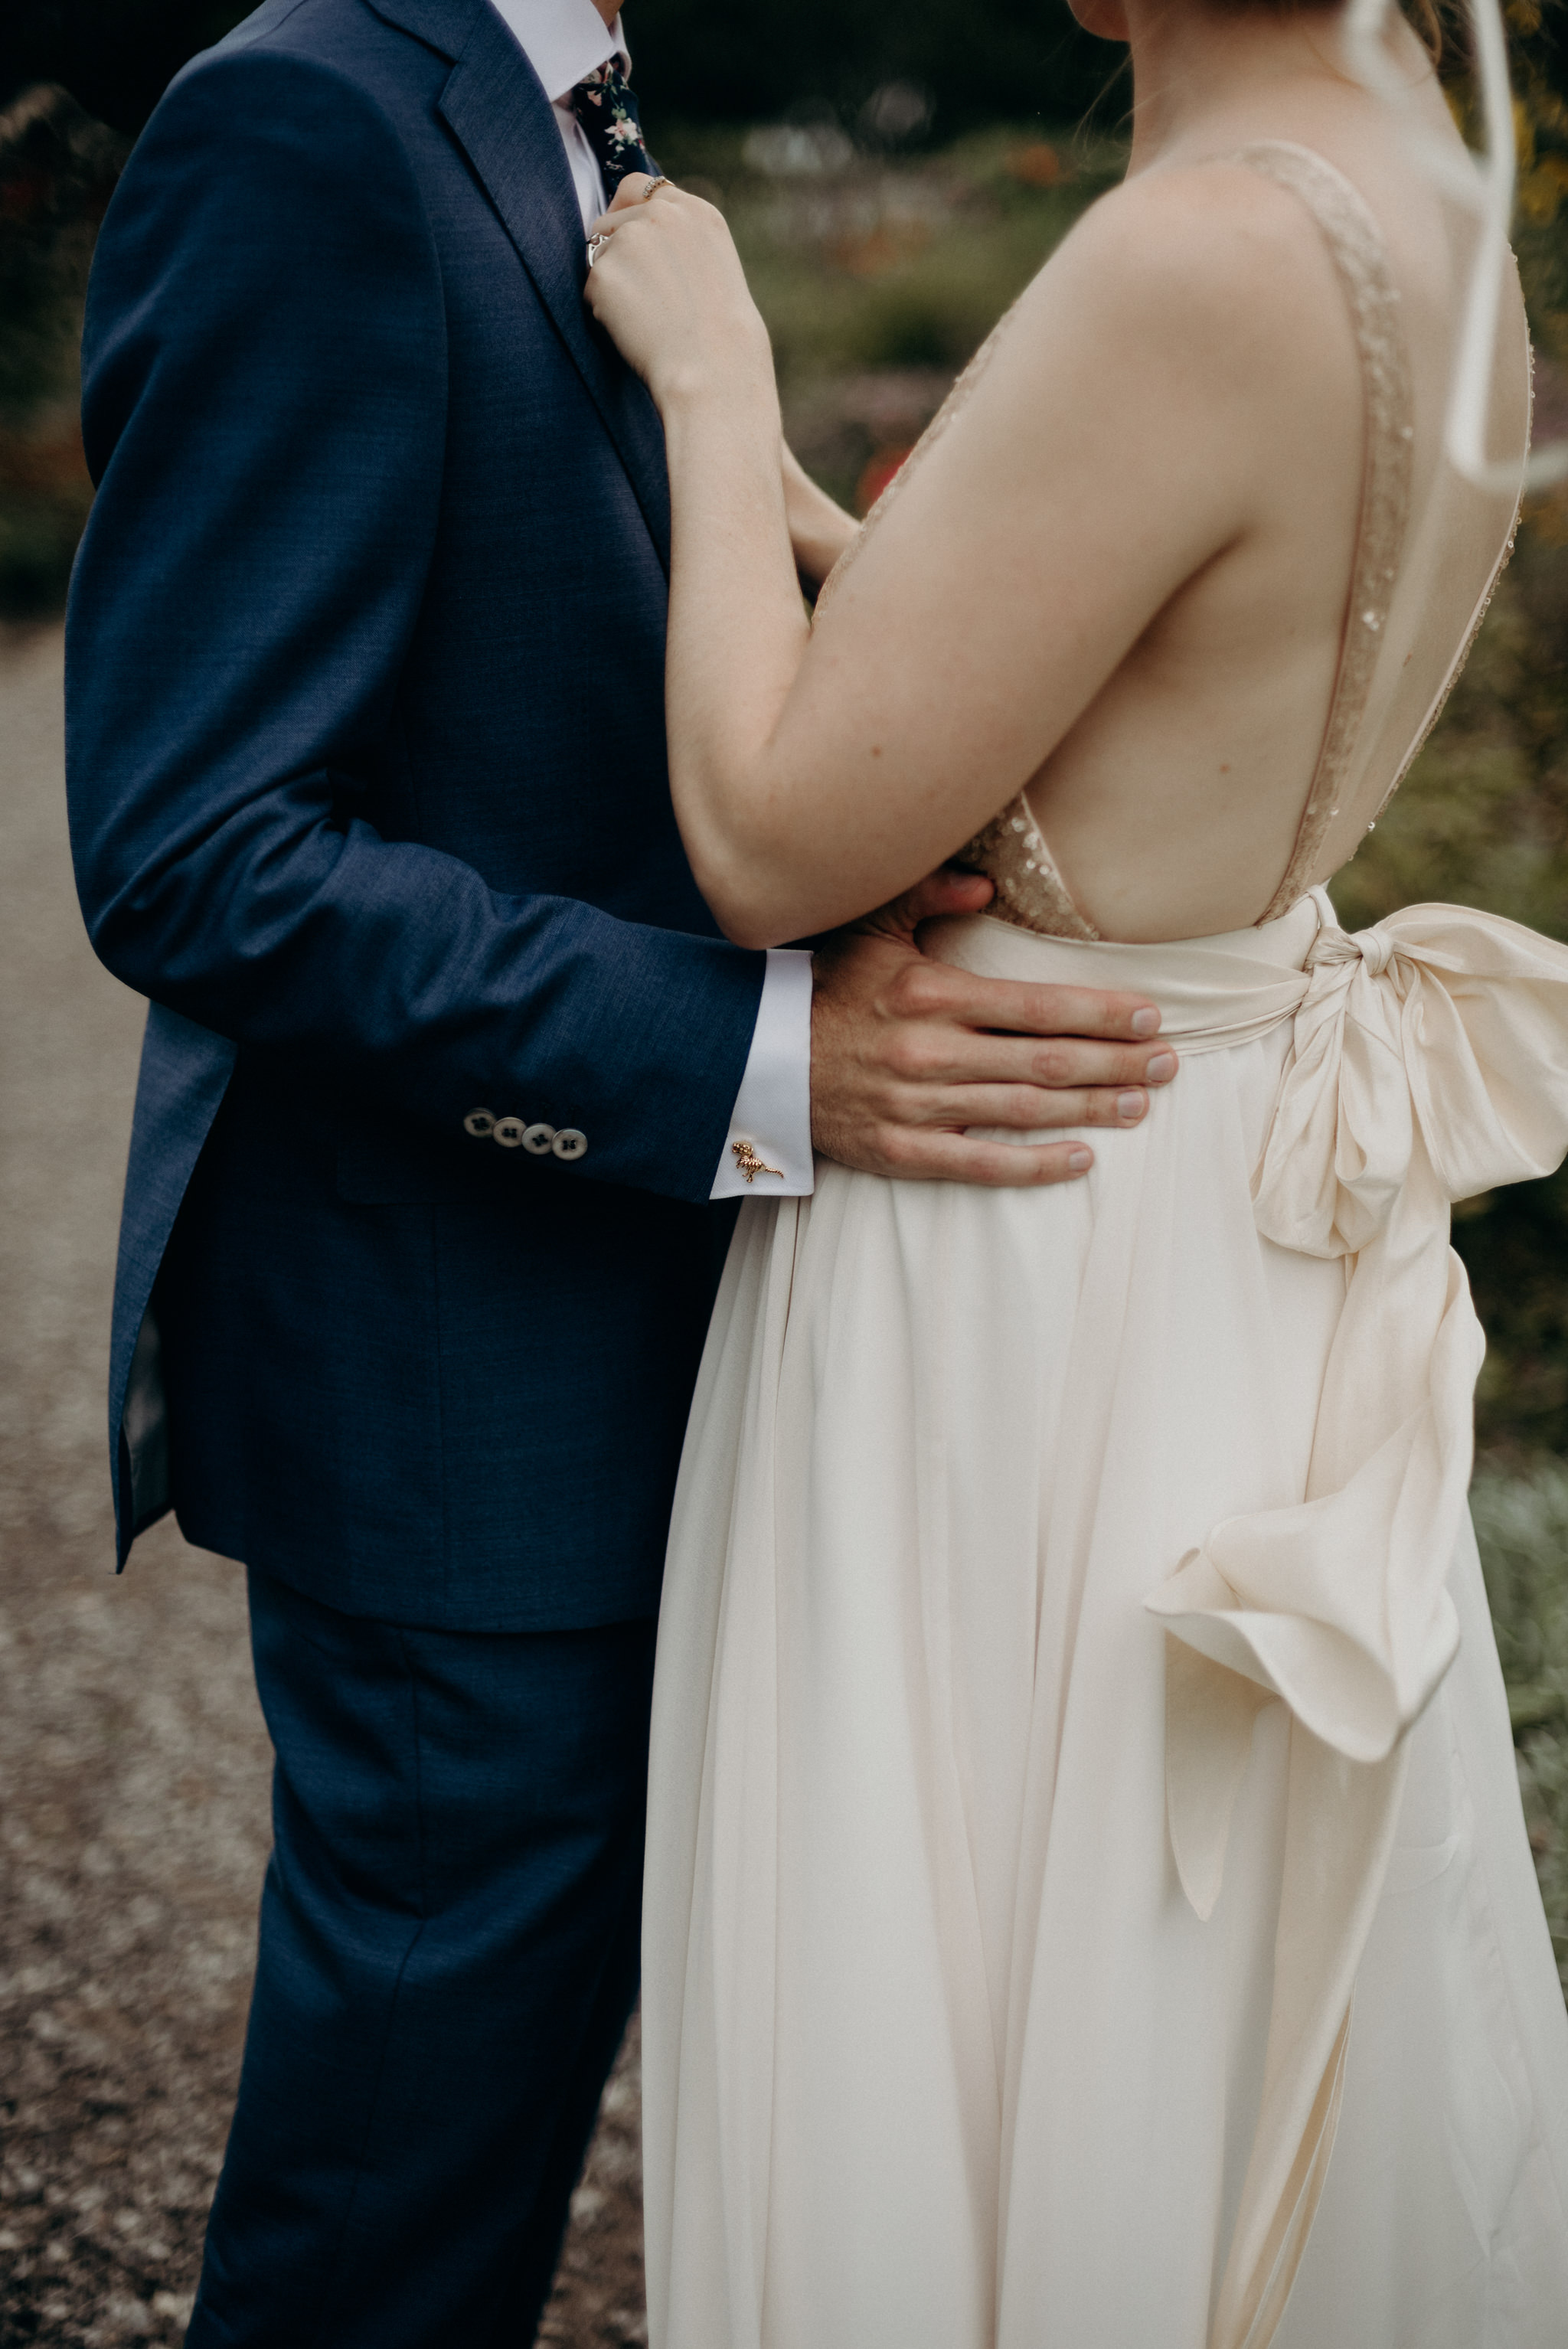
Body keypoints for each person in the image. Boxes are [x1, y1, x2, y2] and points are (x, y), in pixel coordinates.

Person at [63, 0, 1180, 2340]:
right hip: (450, 1370)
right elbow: (198, 851)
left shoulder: (567, 105)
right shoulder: (301, 117)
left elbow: (557, 687)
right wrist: (754, 1051)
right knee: (398, 2206)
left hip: (664, 1318)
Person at [582, 0, 1568, 2341]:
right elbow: (1129, 680)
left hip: (1025, 1236)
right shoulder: (1428, 175)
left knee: (986, 1981)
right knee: (1164, 1995)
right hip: (1222, 1208)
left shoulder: (1198, 250)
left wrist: (720, 393)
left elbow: (769, 828)